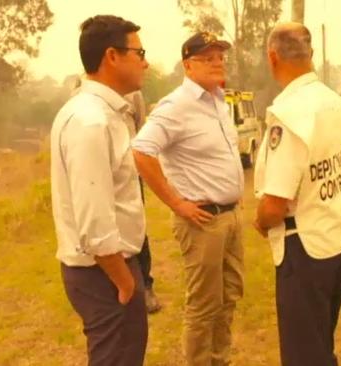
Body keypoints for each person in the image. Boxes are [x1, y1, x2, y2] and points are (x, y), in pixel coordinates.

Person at [131, 32, 245, 366]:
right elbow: (141, 151)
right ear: (188, 64)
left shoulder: (219, 101)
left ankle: (219, 359)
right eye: (207, 58)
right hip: (202, 221)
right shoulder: (176, 105)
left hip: (230, 216)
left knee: (229, 297)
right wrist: (177, 203)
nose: (217, 63)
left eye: (220, 57)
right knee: (204, 305)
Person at [253, 23, 341, 366]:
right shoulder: (338, 104)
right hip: (337, 237)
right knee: (321, 339)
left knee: (303, 354)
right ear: (310, 55)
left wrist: (260, 221)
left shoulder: (290, 114)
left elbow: (275, 204)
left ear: (273, 57)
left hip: (304, 246)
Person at [49, 15, 149, 365]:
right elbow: (95, 219)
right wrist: (125, 283)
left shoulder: (106, 113)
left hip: (108, 267)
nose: (145, 63)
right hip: (103, 271)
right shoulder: (91, 121)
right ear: (112, 56)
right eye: (139, 53)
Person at [125, 90, 162, 314]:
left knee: (137, 227)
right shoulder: (80, 89)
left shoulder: (133, 94)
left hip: (130, 172)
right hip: (100, 173)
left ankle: (146, 286)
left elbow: (139, 129)